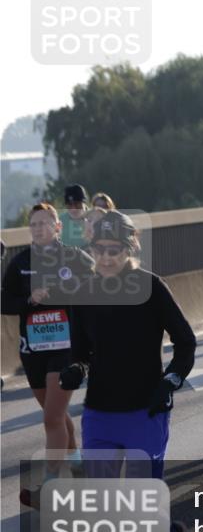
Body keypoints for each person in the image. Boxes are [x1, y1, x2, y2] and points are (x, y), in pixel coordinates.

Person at [59, 210, 196, 532]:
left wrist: (169, 382)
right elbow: (81, 349)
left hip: (144, 410)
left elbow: (185, 343)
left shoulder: (150, 288)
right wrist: (76, 368)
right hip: (100, 412)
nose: (105, 257)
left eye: (114, 249)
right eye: (99, 249)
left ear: (130, 246)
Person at [2, 203, 93, 505]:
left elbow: (99, 285)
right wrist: (29, 299)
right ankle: (80, 466)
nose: (39, 228)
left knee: (52, 417)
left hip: (66, 349)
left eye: (45, 223)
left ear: (57, 227)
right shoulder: (20, 263)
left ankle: (49, 488)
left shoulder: (74, 257)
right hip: (33, 351)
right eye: (34, 224)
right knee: (55, 413)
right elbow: (5, 302)